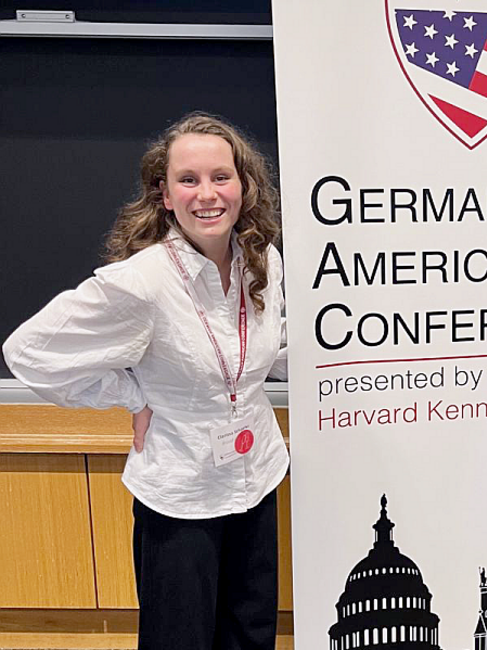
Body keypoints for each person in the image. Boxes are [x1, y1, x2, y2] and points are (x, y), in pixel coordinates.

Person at [2, 112, 288, 650]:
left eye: (221, 177)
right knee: (180, 641)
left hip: (258, 476)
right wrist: (133, 394)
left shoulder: (263, 262)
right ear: (165, 195)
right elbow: (29, 352)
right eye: (188, 180)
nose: (208, 194)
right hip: (181, 497)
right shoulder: (142, 282)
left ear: (244, 186)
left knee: (251, 634)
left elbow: (266, 346)